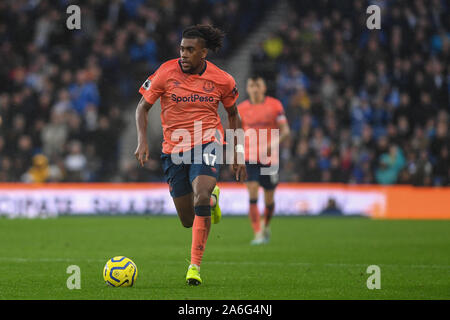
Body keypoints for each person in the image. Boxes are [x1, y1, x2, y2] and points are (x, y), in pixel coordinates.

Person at [134, 25, 247, 285]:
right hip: (173, 150)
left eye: (190, 50)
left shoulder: (223, 80)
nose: (183, 54)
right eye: (181, 48)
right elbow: (142, 108)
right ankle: (213, 201)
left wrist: (236, 153)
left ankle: (194, 267)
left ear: (203, 53)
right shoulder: (165, 72)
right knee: (188, 219)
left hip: (208, 141)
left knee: (202, 194)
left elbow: (233, 114)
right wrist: (142, 140)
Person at [237, 75, 290, 245]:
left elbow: (286, 131)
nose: (255, 89)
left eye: (258, 85)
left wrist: (272, 144)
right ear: (247, 88)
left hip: (269, 158)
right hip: (249, 157)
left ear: (264, 88)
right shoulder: (241, 109)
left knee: (269, 198)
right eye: (251, 85)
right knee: (252, 193)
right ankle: (258, 233)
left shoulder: (275, 106)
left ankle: (266, 225)